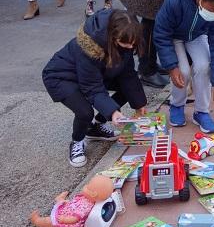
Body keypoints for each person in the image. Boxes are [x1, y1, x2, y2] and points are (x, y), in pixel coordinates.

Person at [42, 10, 147, 167]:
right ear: (113, 36)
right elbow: (92, 88)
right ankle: (77, 141)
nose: (131, 46)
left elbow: (128, 75)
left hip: (95, 74)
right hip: (61, 76)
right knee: (85, 112)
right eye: (127, 43)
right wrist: (113, 112)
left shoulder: (124, 39)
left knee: (129, 90)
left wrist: (139, 104)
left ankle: (96, 128)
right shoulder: (89, 48)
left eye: (134, 43)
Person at [154, 0, 214, 132]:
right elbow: (161, 33)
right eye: (213, 9)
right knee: (182, 70)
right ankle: (176, 105)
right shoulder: (175, 0)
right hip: (174, 37)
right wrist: (171, 66)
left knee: (204, 65)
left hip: (197, 35)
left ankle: (201, 111)